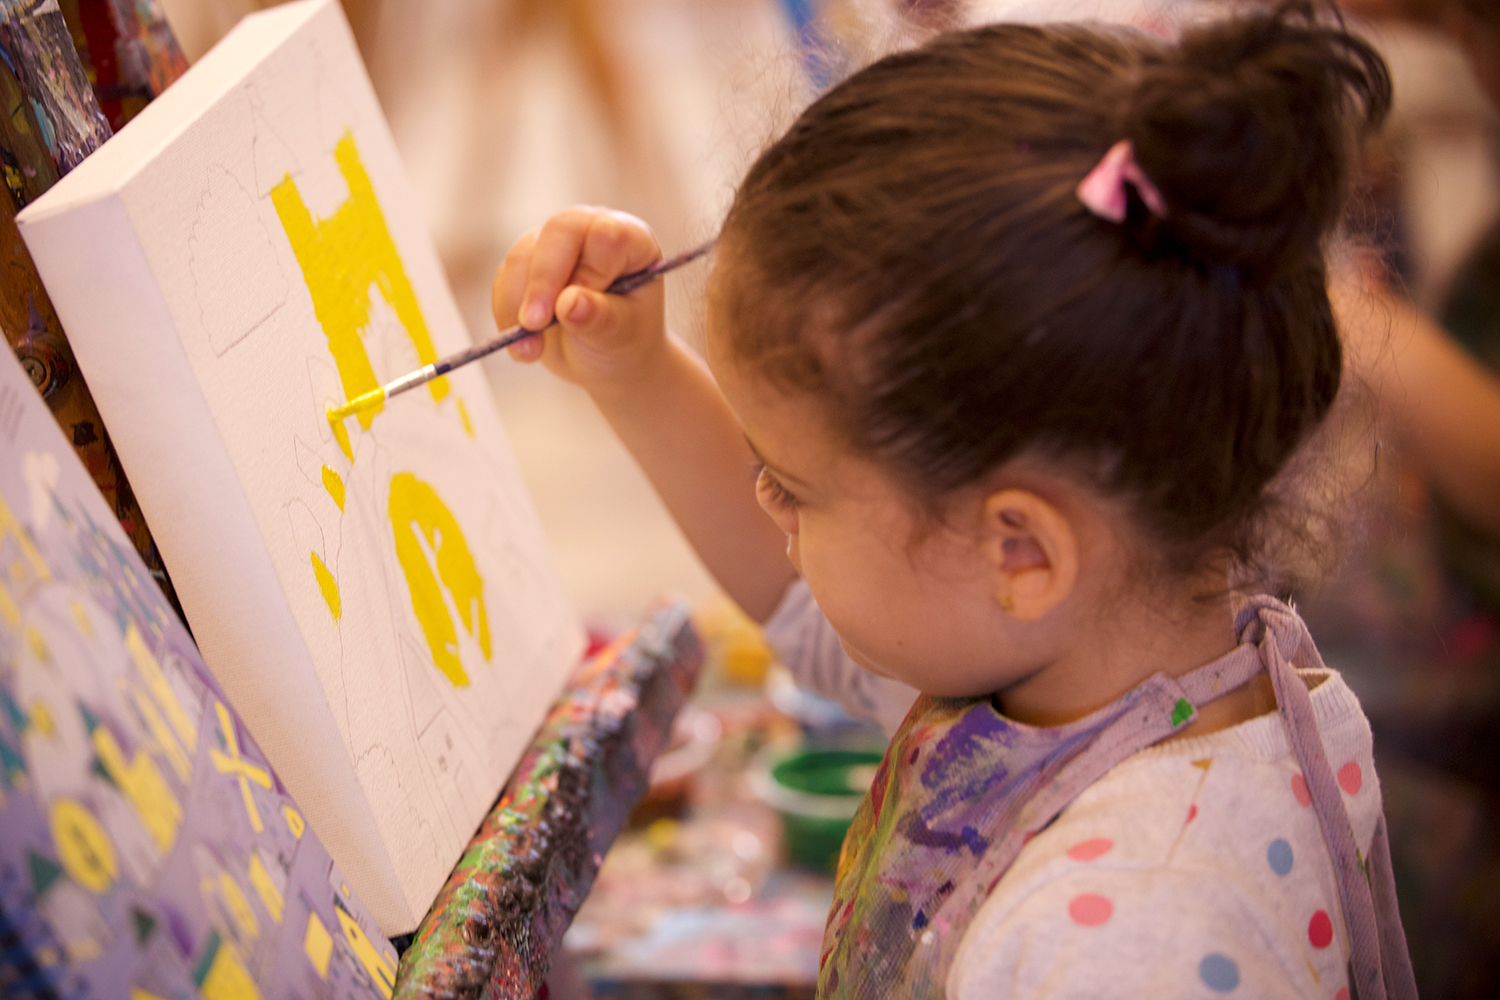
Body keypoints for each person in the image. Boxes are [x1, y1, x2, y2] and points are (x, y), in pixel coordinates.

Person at [493, 3, 1417, 995]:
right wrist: (635, 372)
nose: (771, 509)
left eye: (794, 488)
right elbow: (820, 605)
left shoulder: (1125, 943)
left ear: (1021, 551)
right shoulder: (1093, 650)